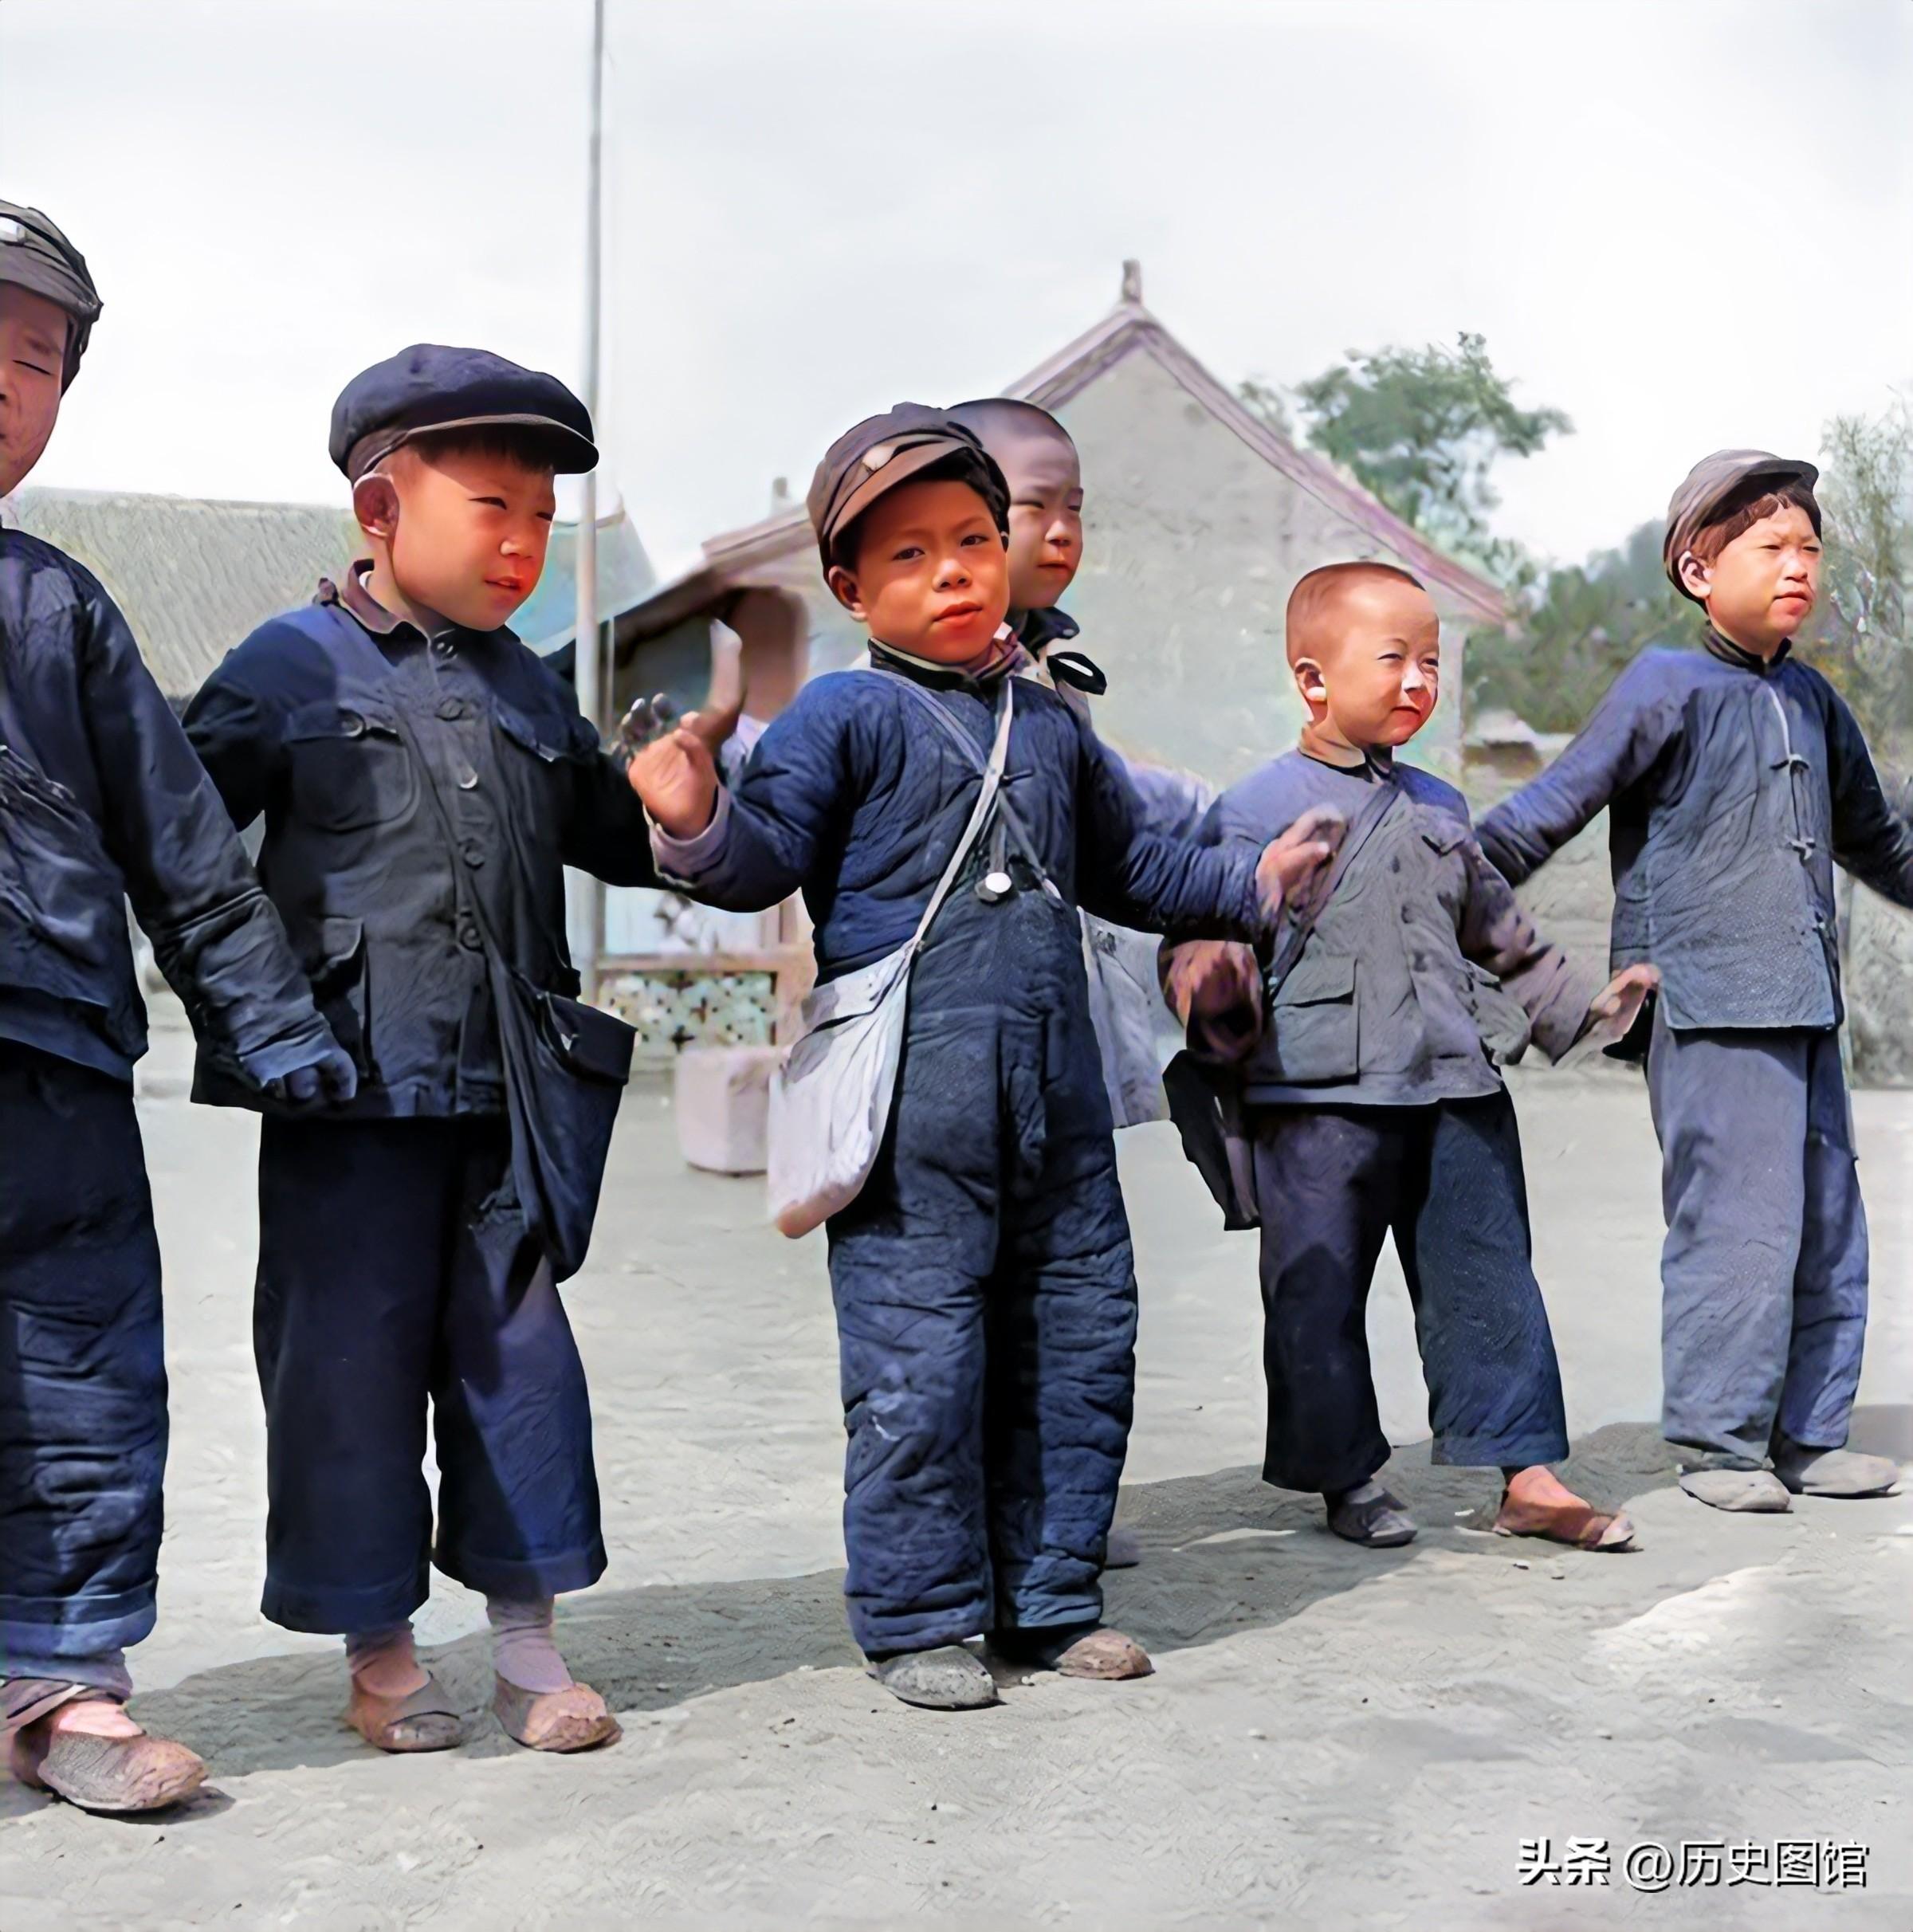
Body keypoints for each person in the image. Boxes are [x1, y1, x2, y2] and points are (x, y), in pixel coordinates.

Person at [627, 404, 1334, 1710]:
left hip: (1055, 1107)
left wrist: (1252, 880)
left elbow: (1135, 866)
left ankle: (1051, 1598)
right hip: (910, 1118)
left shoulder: (1053, 724)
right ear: (848, 587)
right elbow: (760, 855)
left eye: (971, 537)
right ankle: (919, 1616)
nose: (952, 568)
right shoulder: (841, 714)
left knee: (1079, 1341)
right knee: (918, 1366)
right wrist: (691, 824)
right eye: (908, 555)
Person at [183, 345, 663, 1754]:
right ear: (380, 511)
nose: (523, 544)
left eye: (541, 518)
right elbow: (177, 843)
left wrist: (673, 800)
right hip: (343, 1094)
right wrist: (264, 1021)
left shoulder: (532, 684)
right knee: (347, 1361)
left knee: (523, 1360)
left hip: (507, 1092)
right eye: (492, 509)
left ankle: (526, 1639)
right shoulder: (284, 665)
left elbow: (615, 833)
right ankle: (381, 1650)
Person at [0, 200, 354, 1813]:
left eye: (37, 358)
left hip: (56, 1064)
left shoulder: (60, 610)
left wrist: (275, 1030)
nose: (8, 379)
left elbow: (186, 847)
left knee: (80, 1380)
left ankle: (60, 1689)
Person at [1164, 561, 1652, 1552]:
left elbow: (1500, 934)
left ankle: (1528, 1473)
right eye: (1394, 659)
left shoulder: (1439, 803)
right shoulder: (1255, 806)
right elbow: (1199, 934)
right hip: (1319, 1091)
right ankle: (1347, 1477)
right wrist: (1209, 994)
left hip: (1454, 1080)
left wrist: (1586, 1009)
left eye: (1431, 662)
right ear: (1312, 680)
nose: (1418, 682)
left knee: (1490, 1277)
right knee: (1317, 1291)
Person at [1478, 452, 1911, 1512]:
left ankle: (1808, 1436)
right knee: (1735, 1228)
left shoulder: (1812, 700)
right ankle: (1723, 1447)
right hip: (1708, 1005)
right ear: (1696, 569)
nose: (1799, 565)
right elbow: (1542, 815)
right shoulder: (1664, 686)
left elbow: (1882, 844)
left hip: (1809, 1006)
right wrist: (1443, 894)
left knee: (1826, 1224)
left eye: (1811, 546)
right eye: (1772, 547)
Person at [947, 397, 1213, 1570]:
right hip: (957, 1034)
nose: (1057, 529)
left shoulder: (1058, 660)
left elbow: (1099, 822)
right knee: (969, 1299)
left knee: (1069, 1295)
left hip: (1056, 1011)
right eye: (1029, 506)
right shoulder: (927, 676)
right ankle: (982, 1530)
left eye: (1073, 509)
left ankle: (1052, 1520)